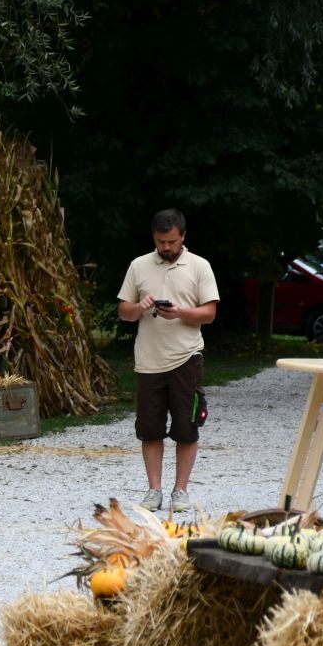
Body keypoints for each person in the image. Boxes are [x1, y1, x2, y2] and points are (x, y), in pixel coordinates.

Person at [117, 208, 219, 513]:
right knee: (150, 429)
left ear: (183, 236)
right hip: (148, 361)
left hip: (186, 358)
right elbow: (124, 311)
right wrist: (140, 307)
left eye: (172, 241)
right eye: (161, 241)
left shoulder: (200, 266)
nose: (166, 247)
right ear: (154, 238)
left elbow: (210, 313)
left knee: (187, 428)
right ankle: (154, 490)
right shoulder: (139, 266)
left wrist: (181, 313)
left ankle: (181, 491)